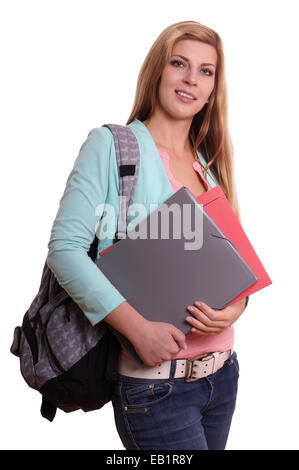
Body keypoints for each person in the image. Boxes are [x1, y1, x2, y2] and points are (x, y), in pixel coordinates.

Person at [47, 20, 249, 450]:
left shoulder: (207, 166)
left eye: (206, 71)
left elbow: (235, 263)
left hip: (222, 377)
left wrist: (235, 308)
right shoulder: (112, 147)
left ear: (213, 89)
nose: (191, 79)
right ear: (158, 70)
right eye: (180, 64)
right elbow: (65, 250)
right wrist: (136, 330)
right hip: (157, 391)